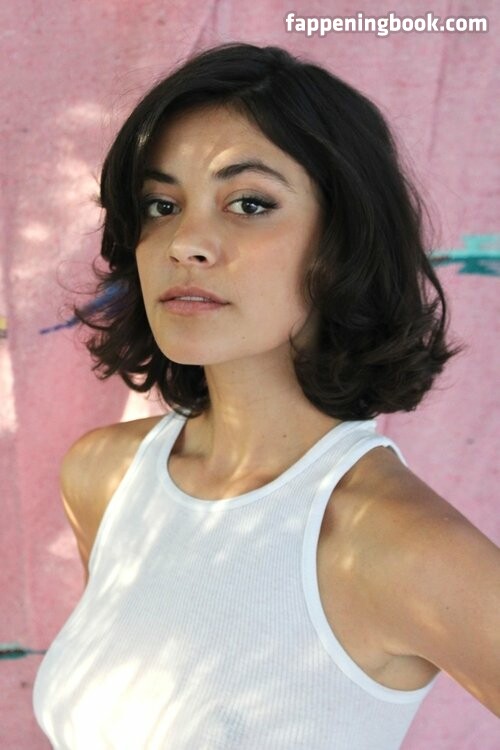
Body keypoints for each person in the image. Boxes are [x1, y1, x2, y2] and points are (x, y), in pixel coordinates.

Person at [33, 42, 500, 749]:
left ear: (341, 242)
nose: (185, 241)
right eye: (161, 204)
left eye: (249, 203)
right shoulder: (103, 476)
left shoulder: (400, 545)